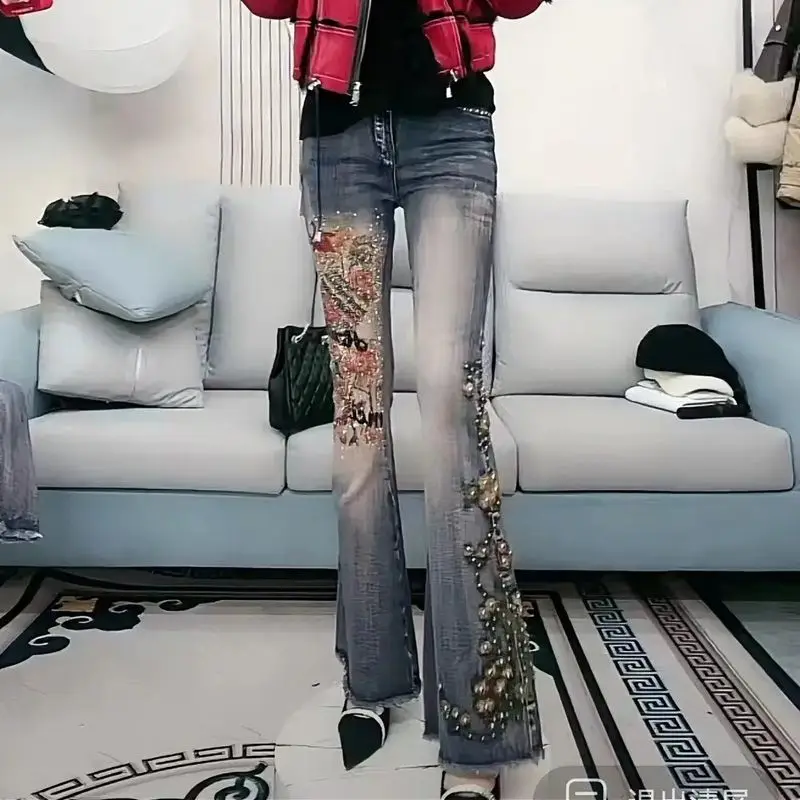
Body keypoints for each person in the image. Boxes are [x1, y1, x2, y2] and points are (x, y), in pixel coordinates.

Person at [242, 0, 549, 796]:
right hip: (338, 140)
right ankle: (372, 680)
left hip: (450, 132)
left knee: (449, 404)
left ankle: (479, 734)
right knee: (358, 429)